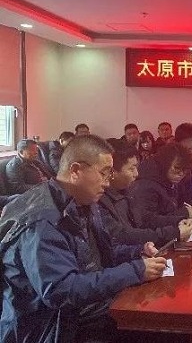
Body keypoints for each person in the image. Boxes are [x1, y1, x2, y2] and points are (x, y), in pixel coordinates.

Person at [0, 135, 167, 342]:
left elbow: (94, 256)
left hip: (79, 312)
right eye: (104, 173)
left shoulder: (81, 203)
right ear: (75, 170)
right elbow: (60, 291)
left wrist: (136, 252)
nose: (108, 182)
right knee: (152, 329)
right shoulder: (43, 220)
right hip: (49, 327)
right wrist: (135, 271)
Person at [98, 139, 192, 247]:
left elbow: (143, 221)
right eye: (131, 169)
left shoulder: (124, 191)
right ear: (112, 171)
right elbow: (122, 236)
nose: (136, 174)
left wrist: (178, 221)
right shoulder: (100, 200)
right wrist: (174, 232)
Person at [129, 142, 192, 227]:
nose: (181, 174)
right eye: (177, 168)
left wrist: (186, 210)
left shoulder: (169, 180)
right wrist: (185, 213)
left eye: (185, 170)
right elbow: (147, 221)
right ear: (164, 163)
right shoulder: (146, 185)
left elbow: (170, 210)